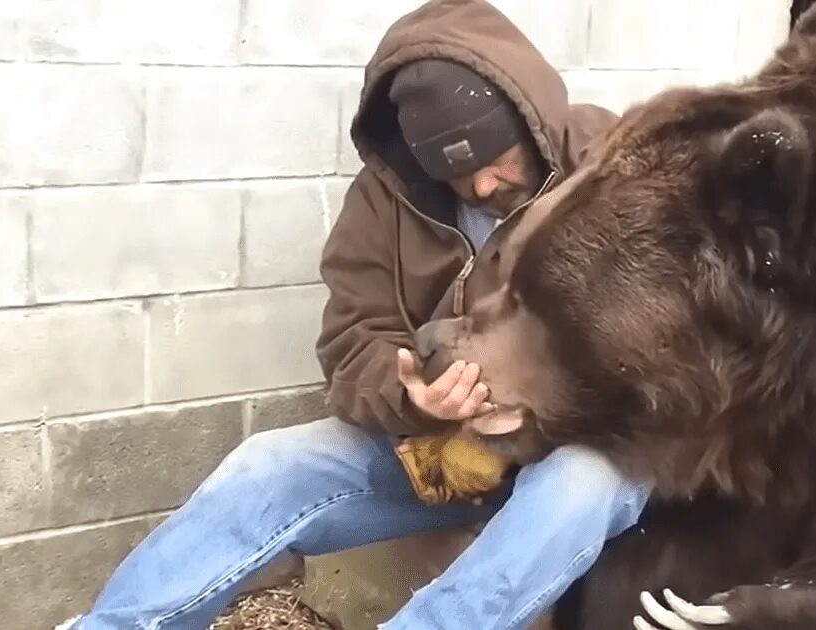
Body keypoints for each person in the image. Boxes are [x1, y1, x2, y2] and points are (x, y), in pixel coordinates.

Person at [64, 1, 649, 628]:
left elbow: (681, 340)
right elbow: (352, 343)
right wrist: (416, 398)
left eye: (495, 159)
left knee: (580, 486)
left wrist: (552, 396)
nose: (480, 187)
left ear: (532, 119)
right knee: (271, 464)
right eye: (453, 173)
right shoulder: (382, 200)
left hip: (591, 442)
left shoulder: (619, 168)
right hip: (443, 450)